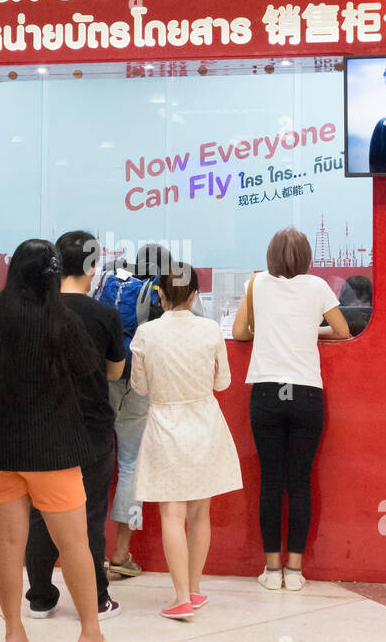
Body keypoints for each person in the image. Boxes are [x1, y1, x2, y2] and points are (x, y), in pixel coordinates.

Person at [0, 239, 116, 642]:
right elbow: (89, 371)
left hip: (0, 449)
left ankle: (14, 636)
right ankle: (91, 637)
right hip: (54, 448)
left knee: (8, 542)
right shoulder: (63, 321)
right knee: (74, 542)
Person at [232, 228, 350, 590]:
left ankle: (270, 570)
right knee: (299, 481)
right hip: (305, 392)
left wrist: (266, 330)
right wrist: (311, 331)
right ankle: (296, 571)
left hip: (267, 390)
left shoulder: (256, 284)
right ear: (306, 257)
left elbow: (239, 333)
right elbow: (343, 330)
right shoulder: (317, 287)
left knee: (270, 480)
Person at [130, 263, 242, 620]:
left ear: (159, 293)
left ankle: (179, 596)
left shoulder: (146, 334)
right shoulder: (210, 330)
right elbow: (222, 383)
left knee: (171, 514)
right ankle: (194, 590)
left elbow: (139, 388)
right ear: (195, 295)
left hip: (165, 426)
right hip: (205, 424)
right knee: (200, 513)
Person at [25, 230, 125, 620]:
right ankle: (97, 599)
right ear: (92, 268)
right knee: (90, 513)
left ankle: (39, 596)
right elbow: (115, 372)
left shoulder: (35, 312)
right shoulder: (104, 315)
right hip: (93, 428)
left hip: (44, 426)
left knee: (41, 511)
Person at [100, 243, 170, 579]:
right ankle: (121, 553)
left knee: (95, 463)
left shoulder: (114, 281)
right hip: (138, 383)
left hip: (105, 377)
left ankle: (88, 549)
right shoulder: (159, 291)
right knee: (130, 465)